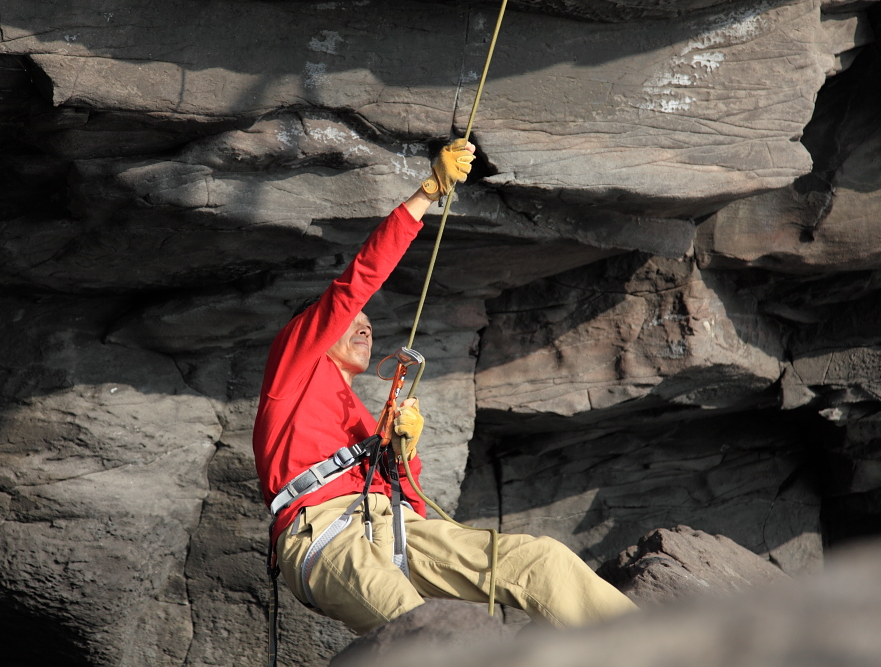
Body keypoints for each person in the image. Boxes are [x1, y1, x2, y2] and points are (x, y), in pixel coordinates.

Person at [253, 140, 638, 635]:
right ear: (316, 331)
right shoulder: (292, 369)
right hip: (324, 536)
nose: (364, 327)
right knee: (428, 632)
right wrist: (427, 193)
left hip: (394, 527)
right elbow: (357, 282)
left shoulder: (359, 418)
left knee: (539, 561)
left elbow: (411, 503)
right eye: (352, 322)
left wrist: (404, 449)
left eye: (369, 323)